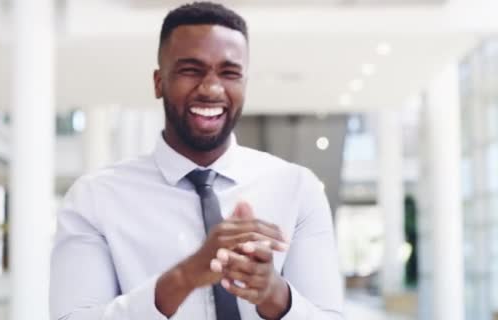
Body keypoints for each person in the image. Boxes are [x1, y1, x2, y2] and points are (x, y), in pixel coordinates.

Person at [50, 2, 343, 319]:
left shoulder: (297, 190)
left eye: (230, 73)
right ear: (159, 82)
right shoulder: (94, 199)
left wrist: (273, 293)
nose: (212, 88)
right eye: (191, 70)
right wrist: (184, 277)